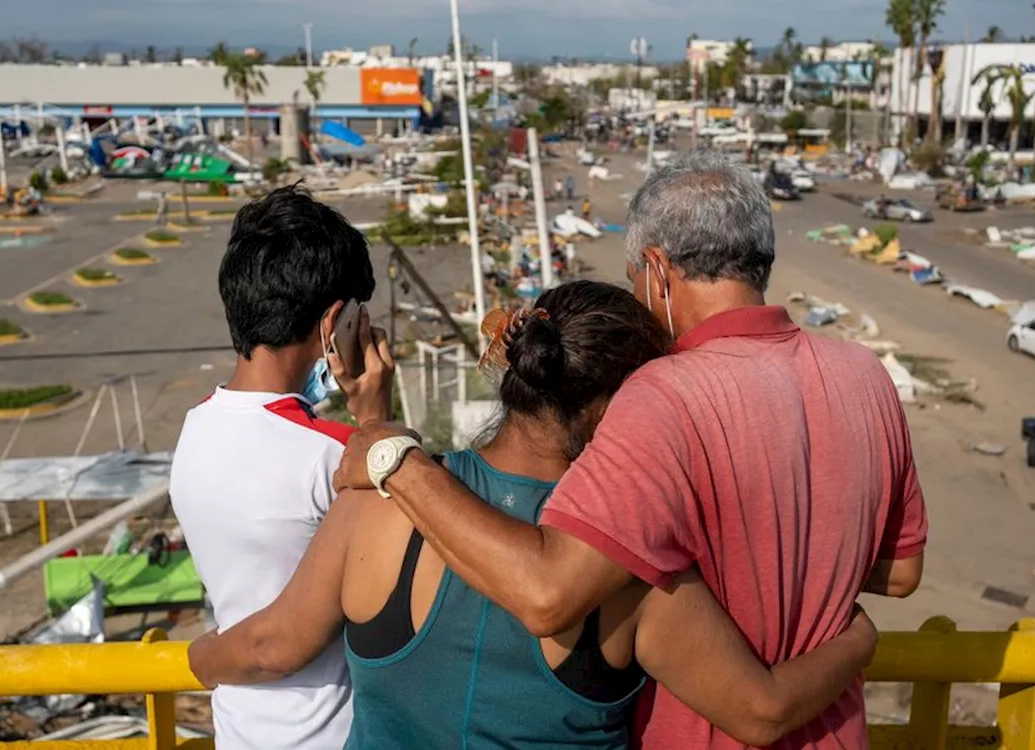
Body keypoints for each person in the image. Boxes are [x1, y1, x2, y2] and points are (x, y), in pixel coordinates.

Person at [334, 151, 927, 748]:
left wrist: (394, 456)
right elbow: (900, 572)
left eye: (634, 280)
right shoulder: (866, 375)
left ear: (656, 269)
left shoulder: (660, 394)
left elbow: (547, 595)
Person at [189, 281, 879, 748]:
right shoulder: (629, 572)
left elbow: (268, 645)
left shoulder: (380, 503)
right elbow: (760, 710)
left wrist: (193, 657)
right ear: (619, 408)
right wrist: (857, 641)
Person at [171, 185, 391, 750]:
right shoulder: (336, 453)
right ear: (333, 322)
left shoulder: (194, 431)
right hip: (336, 736)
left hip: (241, 730)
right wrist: (378, 423)